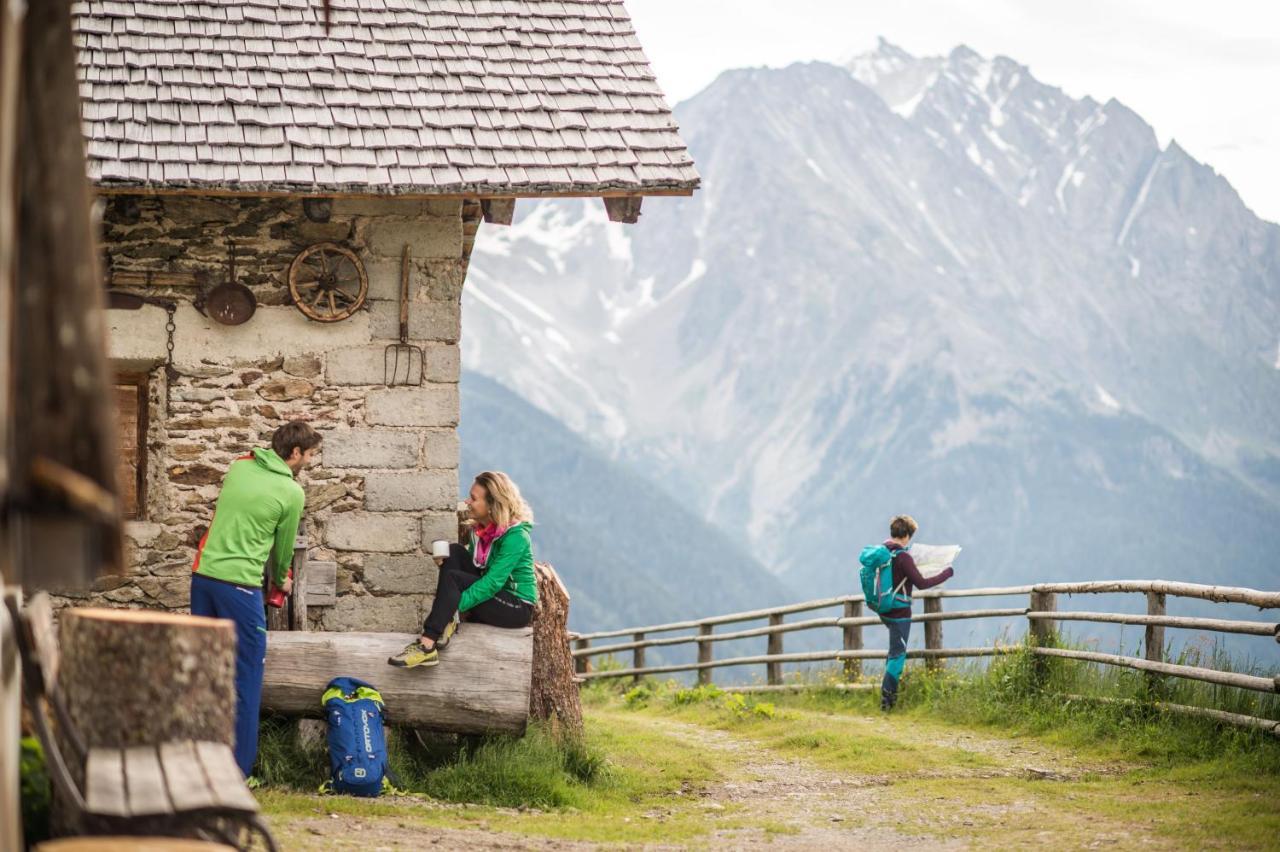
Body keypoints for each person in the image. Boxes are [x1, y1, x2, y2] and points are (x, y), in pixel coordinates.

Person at [189, 420, 319, 776]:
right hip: (240, 586)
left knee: (205, 672)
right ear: (294, 454)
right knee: (245, 677)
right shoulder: (291, 492)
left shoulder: (240, 465)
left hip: (203, 579)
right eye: (309, 455)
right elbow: (282, 551)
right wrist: (282, 581)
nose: (309, 461)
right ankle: (238, 772)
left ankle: (198, 762)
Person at [389, 471, 538, 669]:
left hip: (516, 606)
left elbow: (493, 583)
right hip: (493, 595)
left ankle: (427, 644)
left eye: (474, 498)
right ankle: (442, 627)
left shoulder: (516, 537)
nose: (467, 502)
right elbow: (477, 565)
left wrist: (453, 608)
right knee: (454, 552)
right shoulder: (481, 531)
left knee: (454, 578)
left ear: (493, 504)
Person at [879, 514, 953, 711]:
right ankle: (887, 703)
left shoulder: (884, 552)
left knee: (894, 650)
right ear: (907, 535)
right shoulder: (903, 557)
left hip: (884, 609)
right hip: (900, 612)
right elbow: (921, 583)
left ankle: (887, 696)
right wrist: (946, 572)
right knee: (897, 655)